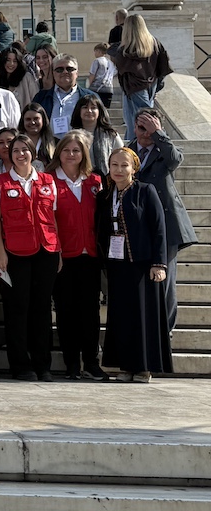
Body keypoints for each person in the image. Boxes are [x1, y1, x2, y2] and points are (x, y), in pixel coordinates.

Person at [0, 133, 60, 381]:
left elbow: (53, 219)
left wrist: (57, 251)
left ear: (33, 152)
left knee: (41, 309)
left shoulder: (48, 181)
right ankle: (21, 365)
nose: (20, 154)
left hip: (46, 252)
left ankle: (43, 365)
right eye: (15, 150)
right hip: (15, 253)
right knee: (18, 309)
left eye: (24, 149)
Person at [97, 147, 173, 382]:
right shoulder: (105, 196)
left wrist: (158, 263)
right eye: (114, 165)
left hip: (142, 265)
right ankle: (125, 365)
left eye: (124, 165)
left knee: (142, 316)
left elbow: (159, 229)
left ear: (134, 168)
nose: (119, 170)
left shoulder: (145, 191)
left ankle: (143, 367)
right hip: (117, 265)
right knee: (121, 316)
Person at [129, 107, 196, 332]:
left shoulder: (164, 150)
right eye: (141, 126)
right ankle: (142, 333)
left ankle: (164, 333)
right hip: (136, 228)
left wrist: (158, 134)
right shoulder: (127, 153)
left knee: (165, 284)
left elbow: (176, 158)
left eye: (150, 127)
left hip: (166, 226)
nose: (145, 132)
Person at [48, 130, 106, 381]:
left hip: (90, 256)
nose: (71, 154)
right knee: (66, 312)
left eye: (76, 150)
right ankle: (72, 364)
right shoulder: (48, 180)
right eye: (66, 150)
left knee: (90, 313)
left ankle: (91, 363)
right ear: (58, 153)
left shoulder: (95, 181)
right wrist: (56, 251)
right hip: (63, 257)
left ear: (84, 154)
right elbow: (47, 220)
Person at [108, 14, 172, 141]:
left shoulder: (124, 49)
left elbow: (115, 58)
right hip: (151, 83)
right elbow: (163, 66)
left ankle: (160, 141)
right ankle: (134, 146)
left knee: (137, 119)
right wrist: (157, 86)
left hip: (133, 86)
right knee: (139, 118)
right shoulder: (154, 43)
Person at [32, 54, 99, 138]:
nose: (65, 72)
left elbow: (102, 125)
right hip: (49, 147)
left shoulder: (91, 97)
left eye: (69, 69)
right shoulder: (41, 97)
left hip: (80, 147)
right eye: (59, 69)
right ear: (53, 73)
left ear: (77, 73)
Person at [70, 94, 122, 176]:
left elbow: (121, 156)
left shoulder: (110, 135)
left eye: (93, 108)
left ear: (99, 111)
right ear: (79, 110)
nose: (89, 111)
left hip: (106, 180)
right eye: (85, 107)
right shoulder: (72, 135)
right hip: (78, 179)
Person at [89, 42, 116, 109]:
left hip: (97, 88)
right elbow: (114, 73)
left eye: (95, 51)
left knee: (96, 108)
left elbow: (92, 74)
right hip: (109, 89)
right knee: (105, 110)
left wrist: (89, 85)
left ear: (98, 51)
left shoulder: (97, 61)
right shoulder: (111, 63)